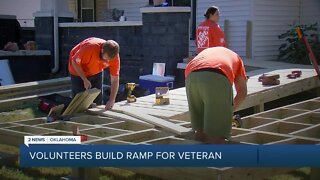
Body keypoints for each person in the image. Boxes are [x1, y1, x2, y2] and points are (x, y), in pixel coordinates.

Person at [185, 47, 247, 144]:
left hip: (191, 76)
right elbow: (242, 93)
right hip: (216, 75)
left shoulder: (210, 51)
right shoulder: (237, 59)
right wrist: (226, 114)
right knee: (217, 137)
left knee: (200, 131)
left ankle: (198, 156)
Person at [68, 37, 120, 110]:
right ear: (102, 50)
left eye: (110, 59)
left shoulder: (114, 57)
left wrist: (112, 100)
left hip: (96, 70)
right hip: (78, 69)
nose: (108, 61)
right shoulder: (89, 48)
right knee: (79, 102)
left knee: (97, 98)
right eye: (106, 58)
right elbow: (75, 62)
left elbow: (115, 79)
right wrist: (84, 79)